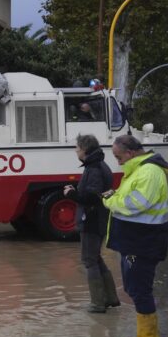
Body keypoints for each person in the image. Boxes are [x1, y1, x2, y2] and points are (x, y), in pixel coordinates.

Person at [102, 135, 168, 337]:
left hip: (141, 245)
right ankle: (149, 336)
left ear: (130, 153)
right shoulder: (140, 170)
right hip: (135, 244)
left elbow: (135, 204)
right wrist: (116, 195)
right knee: (136, 287)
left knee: (139, 289)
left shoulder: (148, 172)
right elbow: (132, 198)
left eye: (118, 157)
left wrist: (109, 200)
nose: (117, 161)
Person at [63, 134, 120, 313]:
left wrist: (72, 194)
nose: (75, 151)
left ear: (85, 150)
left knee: (89, 260)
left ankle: (97, 303)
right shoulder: (99, 165)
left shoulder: (94, 168)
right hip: (99, 218)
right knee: (96, 258)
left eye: (77, 148)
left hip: (92, 220)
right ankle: (110, 298)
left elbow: (91, 197)